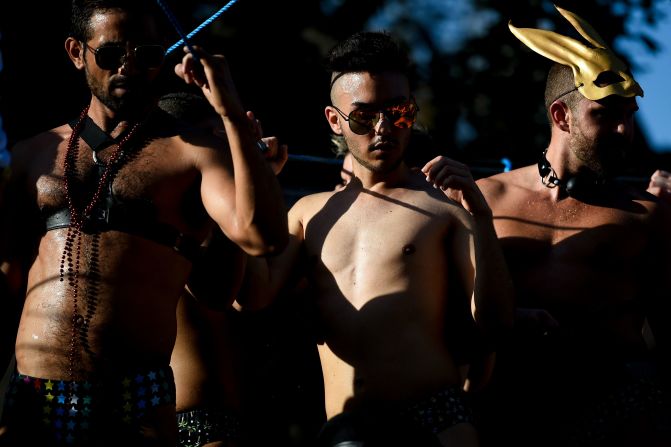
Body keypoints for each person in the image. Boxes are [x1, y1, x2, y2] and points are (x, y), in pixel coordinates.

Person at [0, 0, 287, 445]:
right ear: (77, 52)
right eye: (112, 54)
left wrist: (230, 115)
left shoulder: (194, 152)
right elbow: (7, 274)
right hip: (35, 396)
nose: (129, 68)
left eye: (148, 54)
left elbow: (262, 237)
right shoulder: (32, 154)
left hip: (135, 400)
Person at [239, 30, 514, 447]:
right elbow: (251, 299)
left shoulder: (445, 207)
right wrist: (250, 177)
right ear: (335, 119)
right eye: (364, 117)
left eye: (398, 112)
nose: (383, 128)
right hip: (346, 427)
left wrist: (480, 215)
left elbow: (494, 325)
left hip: (436, 419)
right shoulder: (308, 213)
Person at [467, 5, 671, 446]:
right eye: (607, 114)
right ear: (562, 116)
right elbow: (444, 305)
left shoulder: (646, 213)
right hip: (509, 412)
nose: (624, 129)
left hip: (617, 410)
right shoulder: (485, 199)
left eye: (630, 114)